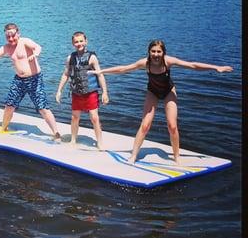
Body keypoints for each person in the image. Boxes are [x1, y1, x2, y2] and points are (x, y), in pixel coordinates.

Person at [88, 40, 233, 164]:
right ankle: (133, 156)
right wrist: (101, 72)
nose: (156, 54)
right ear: (149, 52)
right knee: (145, 125)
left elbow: (192, 65)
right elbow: (124, 69)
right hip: (153, 92)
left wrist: (216, 68)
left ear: (163, 52)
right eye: (153, 51)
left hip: (169, 91)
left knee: (172, 125)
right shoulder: (145, 63)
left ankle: (177, 157)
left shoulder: (168, 61)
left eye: (158, 51)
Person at [0, 23, 61, 140]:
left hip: (34, 79)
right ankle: (3, 128)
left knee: (42, 107)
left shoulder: (24, 41)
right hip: (19, 80)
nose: (11, 39)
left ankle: (56, 133)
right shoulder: (7, 47)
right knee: (9, 106)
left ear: (18, 33)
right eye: (8, 36)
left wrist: (35, 54)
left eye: (13, 35)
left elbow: (38, 47)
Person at [56, 31, 109, 150]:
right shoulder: (71, 58)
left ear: (86, 41)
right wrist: (59, 90)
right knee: (75, 117)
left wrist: (105, 92)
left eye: (81, 41)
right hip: (77, 92)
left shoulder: (92, 57)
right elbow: (66, 74)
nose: (79, 43)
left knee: (94, 117)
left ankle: (99, 141)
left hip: (90, 92)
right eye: (76, 42)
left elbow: (100, 75)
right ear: (72, 43)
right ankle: (73, 139)